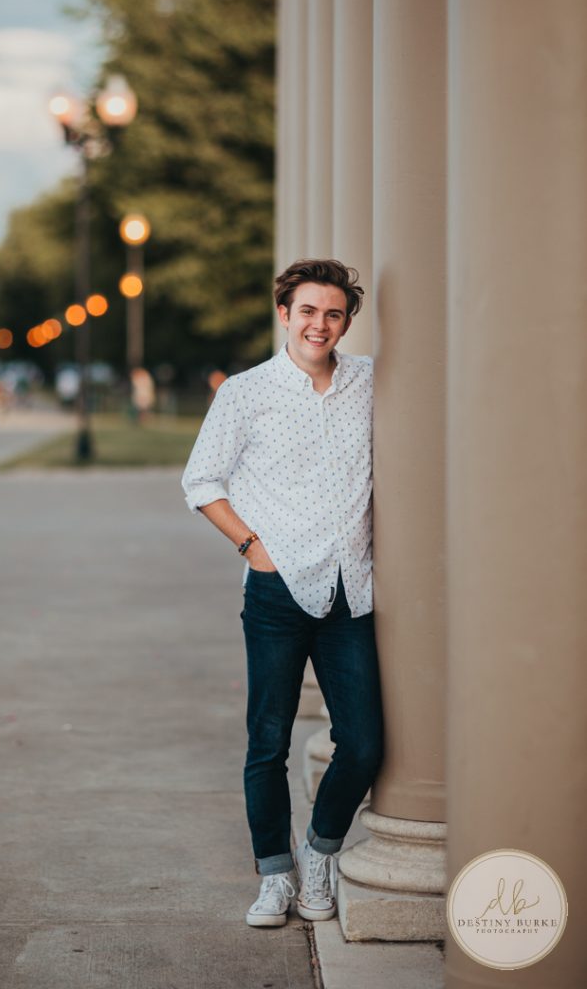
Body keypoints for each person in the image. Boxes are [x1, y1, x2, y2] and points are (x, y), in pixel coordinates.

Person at [181, 258, 384, 928]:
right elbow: (201, 482)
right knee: (265, 741)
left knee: (362, 742)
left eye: (332, 313)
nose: (318, 325)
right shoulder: (247, 391)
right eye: (307, 311)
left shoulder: (371, 382)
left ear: (346, 320)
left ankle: (319, 852)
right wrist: (252, 549)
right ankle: (273, 877)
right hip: (274, 594)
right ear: (284, 314)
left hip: (350, 590)